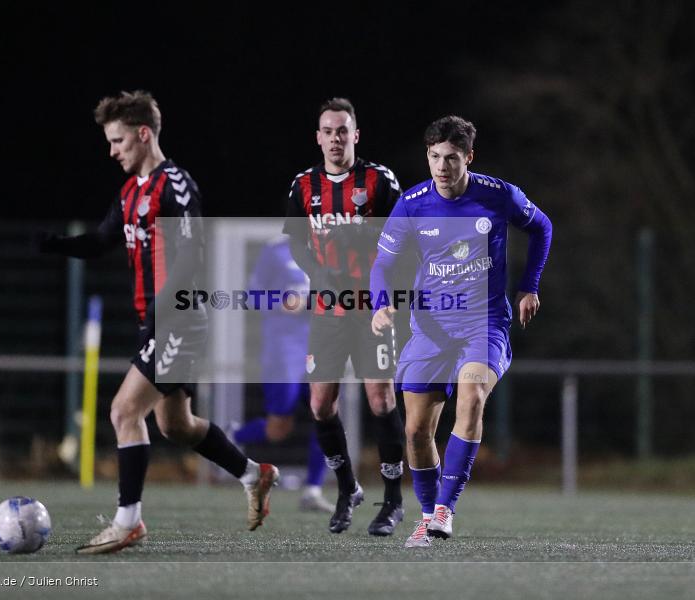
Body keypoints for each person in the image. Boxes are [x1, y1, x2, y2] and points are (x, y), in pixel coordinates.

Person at [40, 90, 279, 554]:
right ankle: (255, 474)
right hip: (159, 320)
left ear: (143, 134)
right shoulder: (130, 191)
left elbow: (191, 257)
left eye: (118, 141)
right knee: (176, 425)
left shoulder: (176, 185)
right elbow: (101, 240)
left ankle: (128, 521)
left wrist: (163, 320)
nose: (112, 151)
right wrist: (54, 244)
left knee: (123, 411)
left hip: (180, 318)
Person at [370, 115, 552, 547]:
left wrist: (529, 287)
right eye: (434, 157)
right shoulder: (413, 203)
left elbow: (542, 227)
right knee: (415, 431)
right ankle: (427, 515)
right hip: (430, 328)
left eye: (451, 158)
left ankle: (445, 509)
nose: (442, 167)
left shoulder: (499, 195)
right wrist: (381, 305)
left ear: (468, 157)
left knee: (471, 398)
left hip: (483, 325)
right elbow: (382, 264)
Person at [283, 97, 406, 536]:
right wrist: (317, 272)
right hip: (327, 311)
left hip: (372, 310)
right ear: (318, 137)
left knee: (381, 400)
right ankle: (347, 487)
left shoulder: (379, 180)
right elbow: (295, 241)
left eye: (343, 130)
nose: (335, 138)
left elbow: (404, 234)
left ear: (356, 135)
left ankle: (392, 502)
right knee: (320, 405)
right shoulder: (303, 186)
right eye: (328, 131)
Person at [231, 237, 334, 513]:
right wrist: (283, 301)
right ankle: (231, 437)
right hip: (283, 350)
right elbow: (251, 295)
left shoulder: (333, 249)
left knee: (327, 416)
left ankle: (312, 490)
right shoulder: (276, 251)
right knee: (279, 427)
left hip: (319, 346)